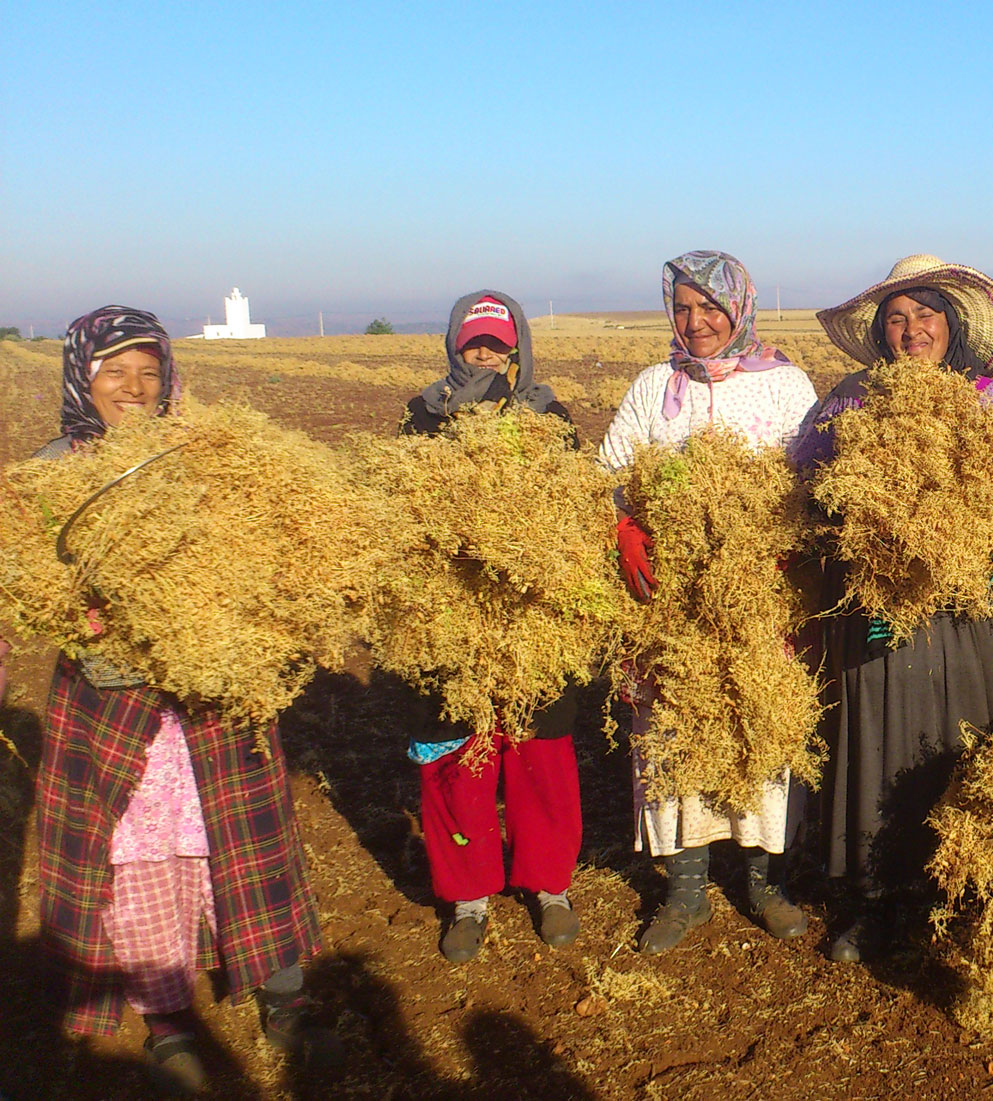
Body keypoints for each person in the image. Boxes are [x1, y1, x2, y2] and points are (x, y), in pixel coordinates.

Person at [26, 306, 337, 1091]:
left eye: (148, 372)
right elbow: (30, 589)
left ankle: (285, 996)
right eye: (114, 372)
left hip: (212, 692)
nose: (133, 388)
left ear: (168, 378)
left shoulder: (207, 456)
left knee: (247, 843)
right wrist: (80, 610)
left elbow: (268, 547)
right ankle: (167, 1019)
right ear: (81, 377)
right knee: (135, 858)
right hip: (109, 702)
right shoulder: (51, 473)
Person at [793, 254, 993, 963]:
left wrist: (976, 541)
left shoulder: (989, 400)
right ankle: (877, 897)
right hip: (879, 604)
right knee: (877, 740)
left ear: (950, 323)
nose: (911, 331)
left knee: (964, 738)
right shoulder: (849, 400)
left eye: (924, 316)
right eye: (896, 318)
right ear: (880, 331)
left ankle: (958, 889)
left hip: (972, 610)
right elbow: (806, 486)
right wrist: (861, 533)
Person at [598, 250, 819, 953]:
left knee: (760, 722)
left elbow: (817, 478)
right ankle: (685, 888)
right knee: (670, 730)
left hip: (759, 595)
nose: (696, 322)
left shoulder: (786, 385)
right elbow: (608, 473)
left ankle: (764, 882)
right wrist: (624, 524)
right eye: (684, 308)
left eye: (710, 307)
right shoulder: (654, 385)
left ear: (740, 308)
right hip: (671, 601)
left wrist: (787, 541)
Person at [402, 291, 584, 963]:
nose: (485, 355)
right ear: (454, 345)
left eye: (497, 345)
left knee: (539, 755)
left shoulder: (546, 414)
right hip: (450, 618)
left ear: (518, 349)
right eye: (473, 344)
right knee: (458, 756)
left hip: (533, 618)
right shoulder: (422, 416)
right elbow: (401, 511)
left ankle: (549, 885)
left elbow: (576, 503)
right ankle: (468, 896)